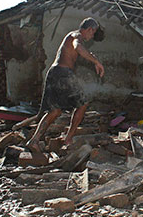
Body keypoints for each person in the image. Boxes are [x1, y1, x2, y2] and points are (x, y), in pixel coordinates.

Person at [26, 17, 105, 154]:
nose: (92, 36)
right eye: (92, 33)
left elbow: (80, 50)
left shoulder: (72, 37)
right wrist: (97, 63)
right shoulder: (77, 36)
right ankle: (68, 139)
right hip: (62, 73)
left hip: (54, 73)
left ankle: (34, 141)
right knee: (83, 103)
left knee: (55, 111)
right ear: (89, 29)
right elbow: (78, 47)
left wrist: (94, 59)